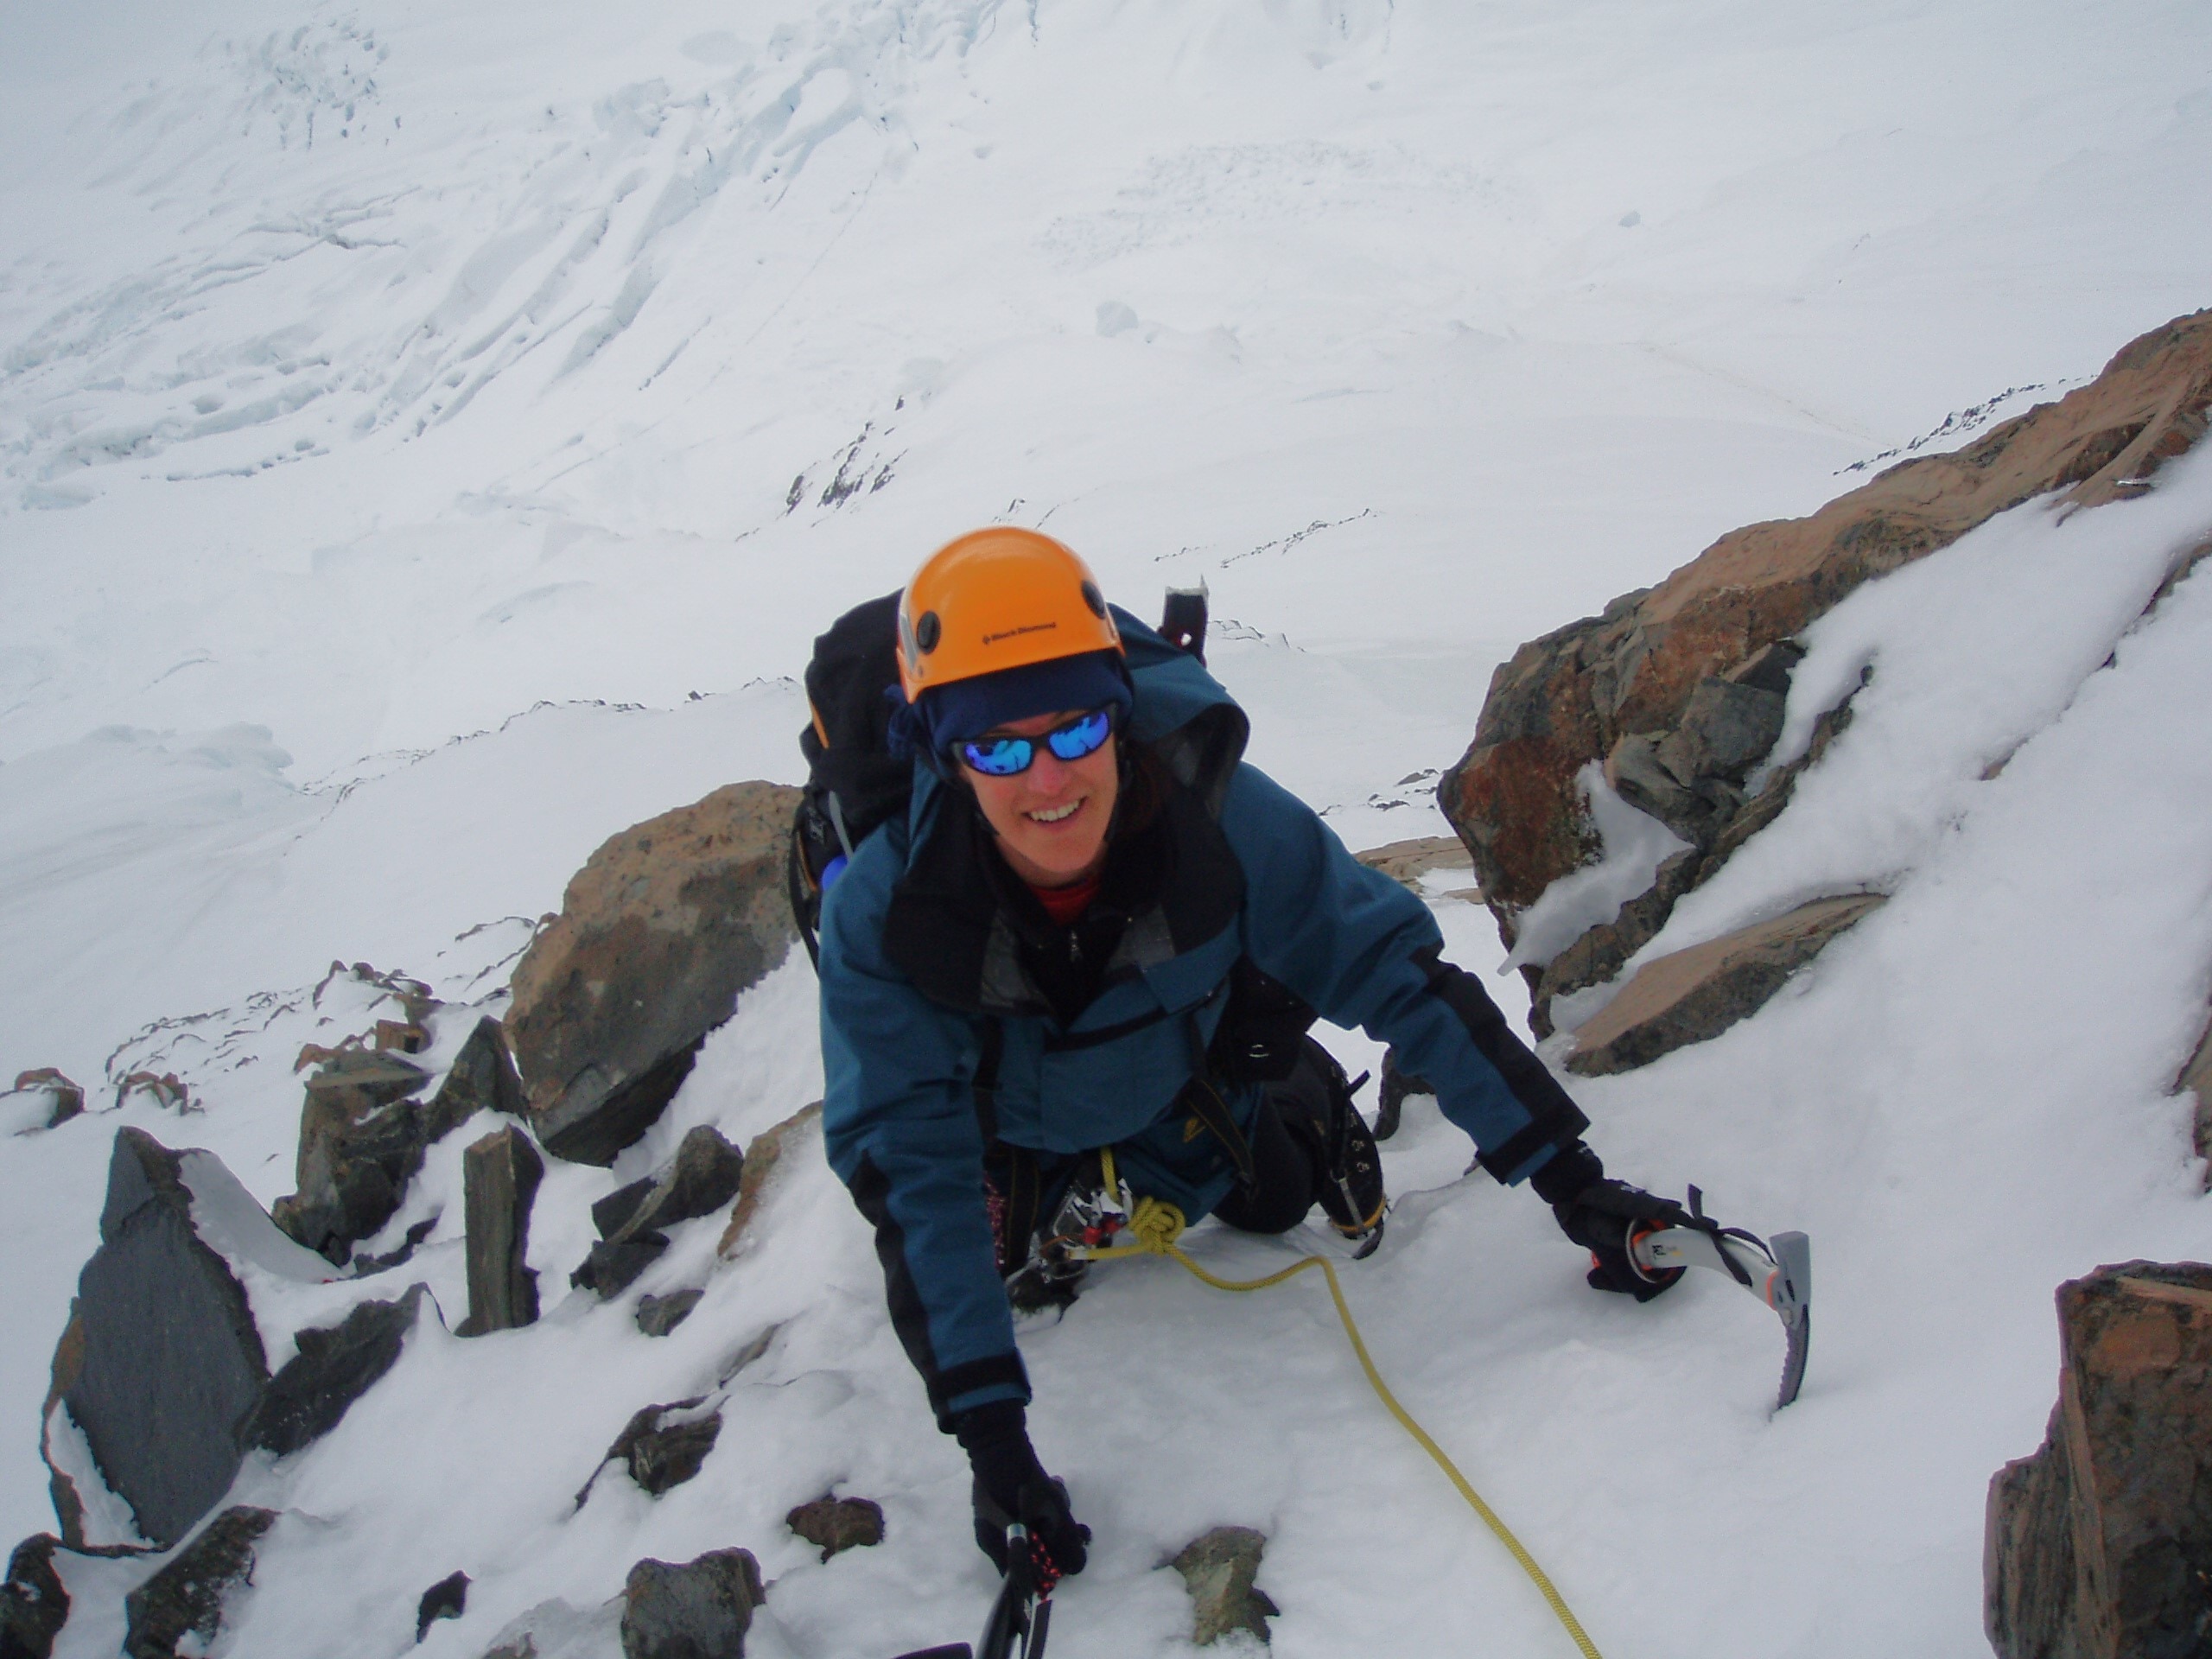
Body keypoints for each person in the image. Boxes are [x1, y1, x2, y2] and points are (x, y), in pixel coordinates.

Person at [816, 527, 1690, 1590]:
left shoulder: (1215, 817)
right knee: (976, 1272)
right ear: (946, 755)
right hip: (1011, 1123)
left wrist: (1571, 1183)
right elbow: (913, 1157)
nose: (1046, 777)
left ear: (1120, 715)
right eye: (998, 747)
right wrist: (996, 1451)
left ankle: (1298, 1099)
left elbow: (1401, 976)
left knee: (1277, 1201)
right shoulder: (888, 908)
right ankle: (1067, 1195)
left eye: (1077, 725)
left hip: (1171, 1071)